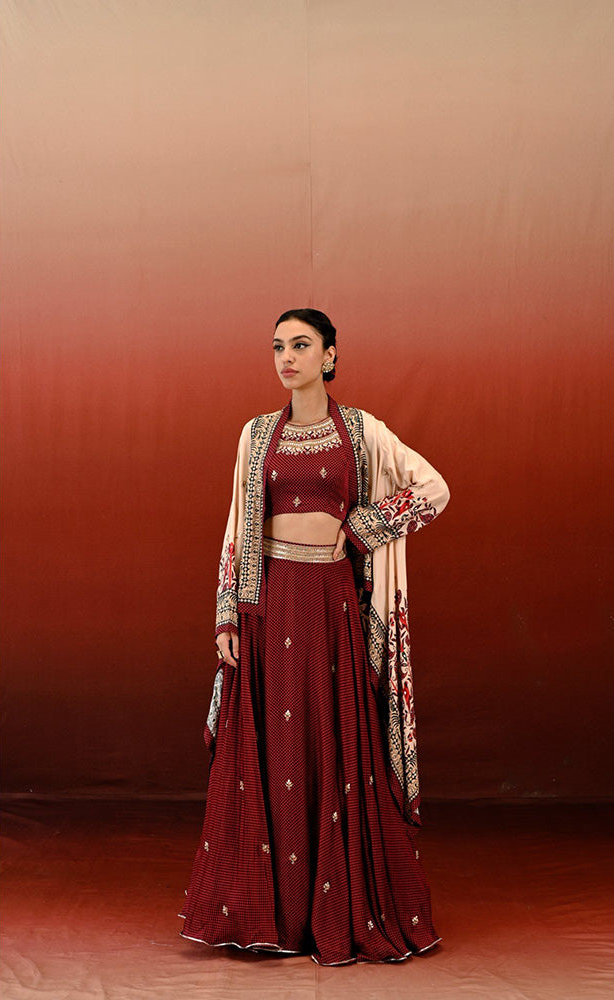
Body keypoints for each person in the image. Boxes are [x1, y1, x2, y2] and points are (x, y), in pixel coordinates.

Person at [177, 308, 451, 966]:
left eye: (301, 345)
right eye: (278, 346)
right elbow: (237, 528)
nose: (287, 357)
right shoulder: (256, 434)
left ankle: (330, 911)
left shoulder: (361, 431)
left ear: (329, 355)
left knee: (328, 748)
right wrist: (226, 615)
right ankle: (272, 914)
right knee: (274, 751)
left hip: (330, 607)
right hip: (269, 606)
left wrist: (360, 529)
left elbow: (433, 488)